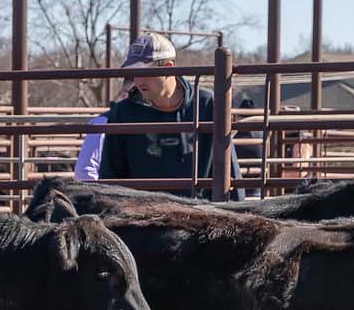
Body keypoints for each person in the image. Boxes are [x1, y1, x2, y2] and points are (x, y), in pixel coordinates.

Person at [74, 33, 237, 197]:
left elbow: (229, 171)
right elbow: (111, 177)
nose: (138, 81)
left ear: (168, 67)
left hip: (201, 215)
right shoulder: (122, 114)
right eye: (134, 73)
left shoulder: (208, 105)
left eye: (144, 72)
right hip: (143, 217)